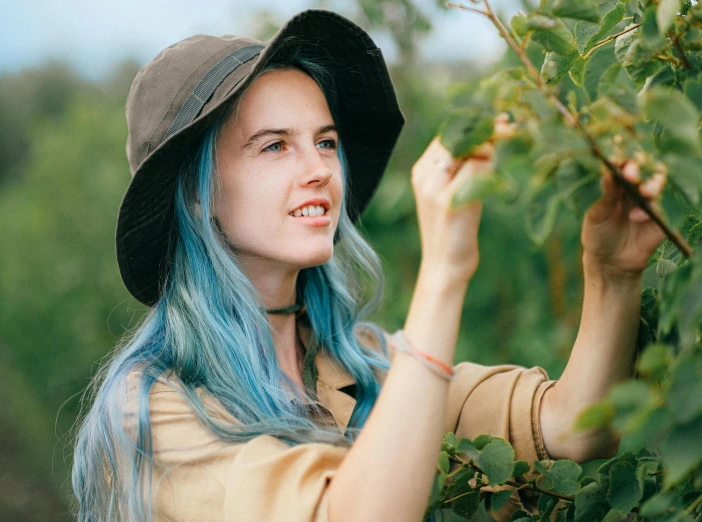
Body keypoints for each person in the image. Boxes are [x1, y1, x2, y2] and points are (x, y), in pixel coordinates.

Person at [71, 9, 668, 522]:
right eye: (275, 145)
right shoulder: (154, 408)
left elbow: (573, 428)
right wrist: (443, 274)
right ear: (196, 193)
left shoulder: (360, 365)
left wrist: (612, 272)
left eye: (325, 141)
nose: (319, 170)